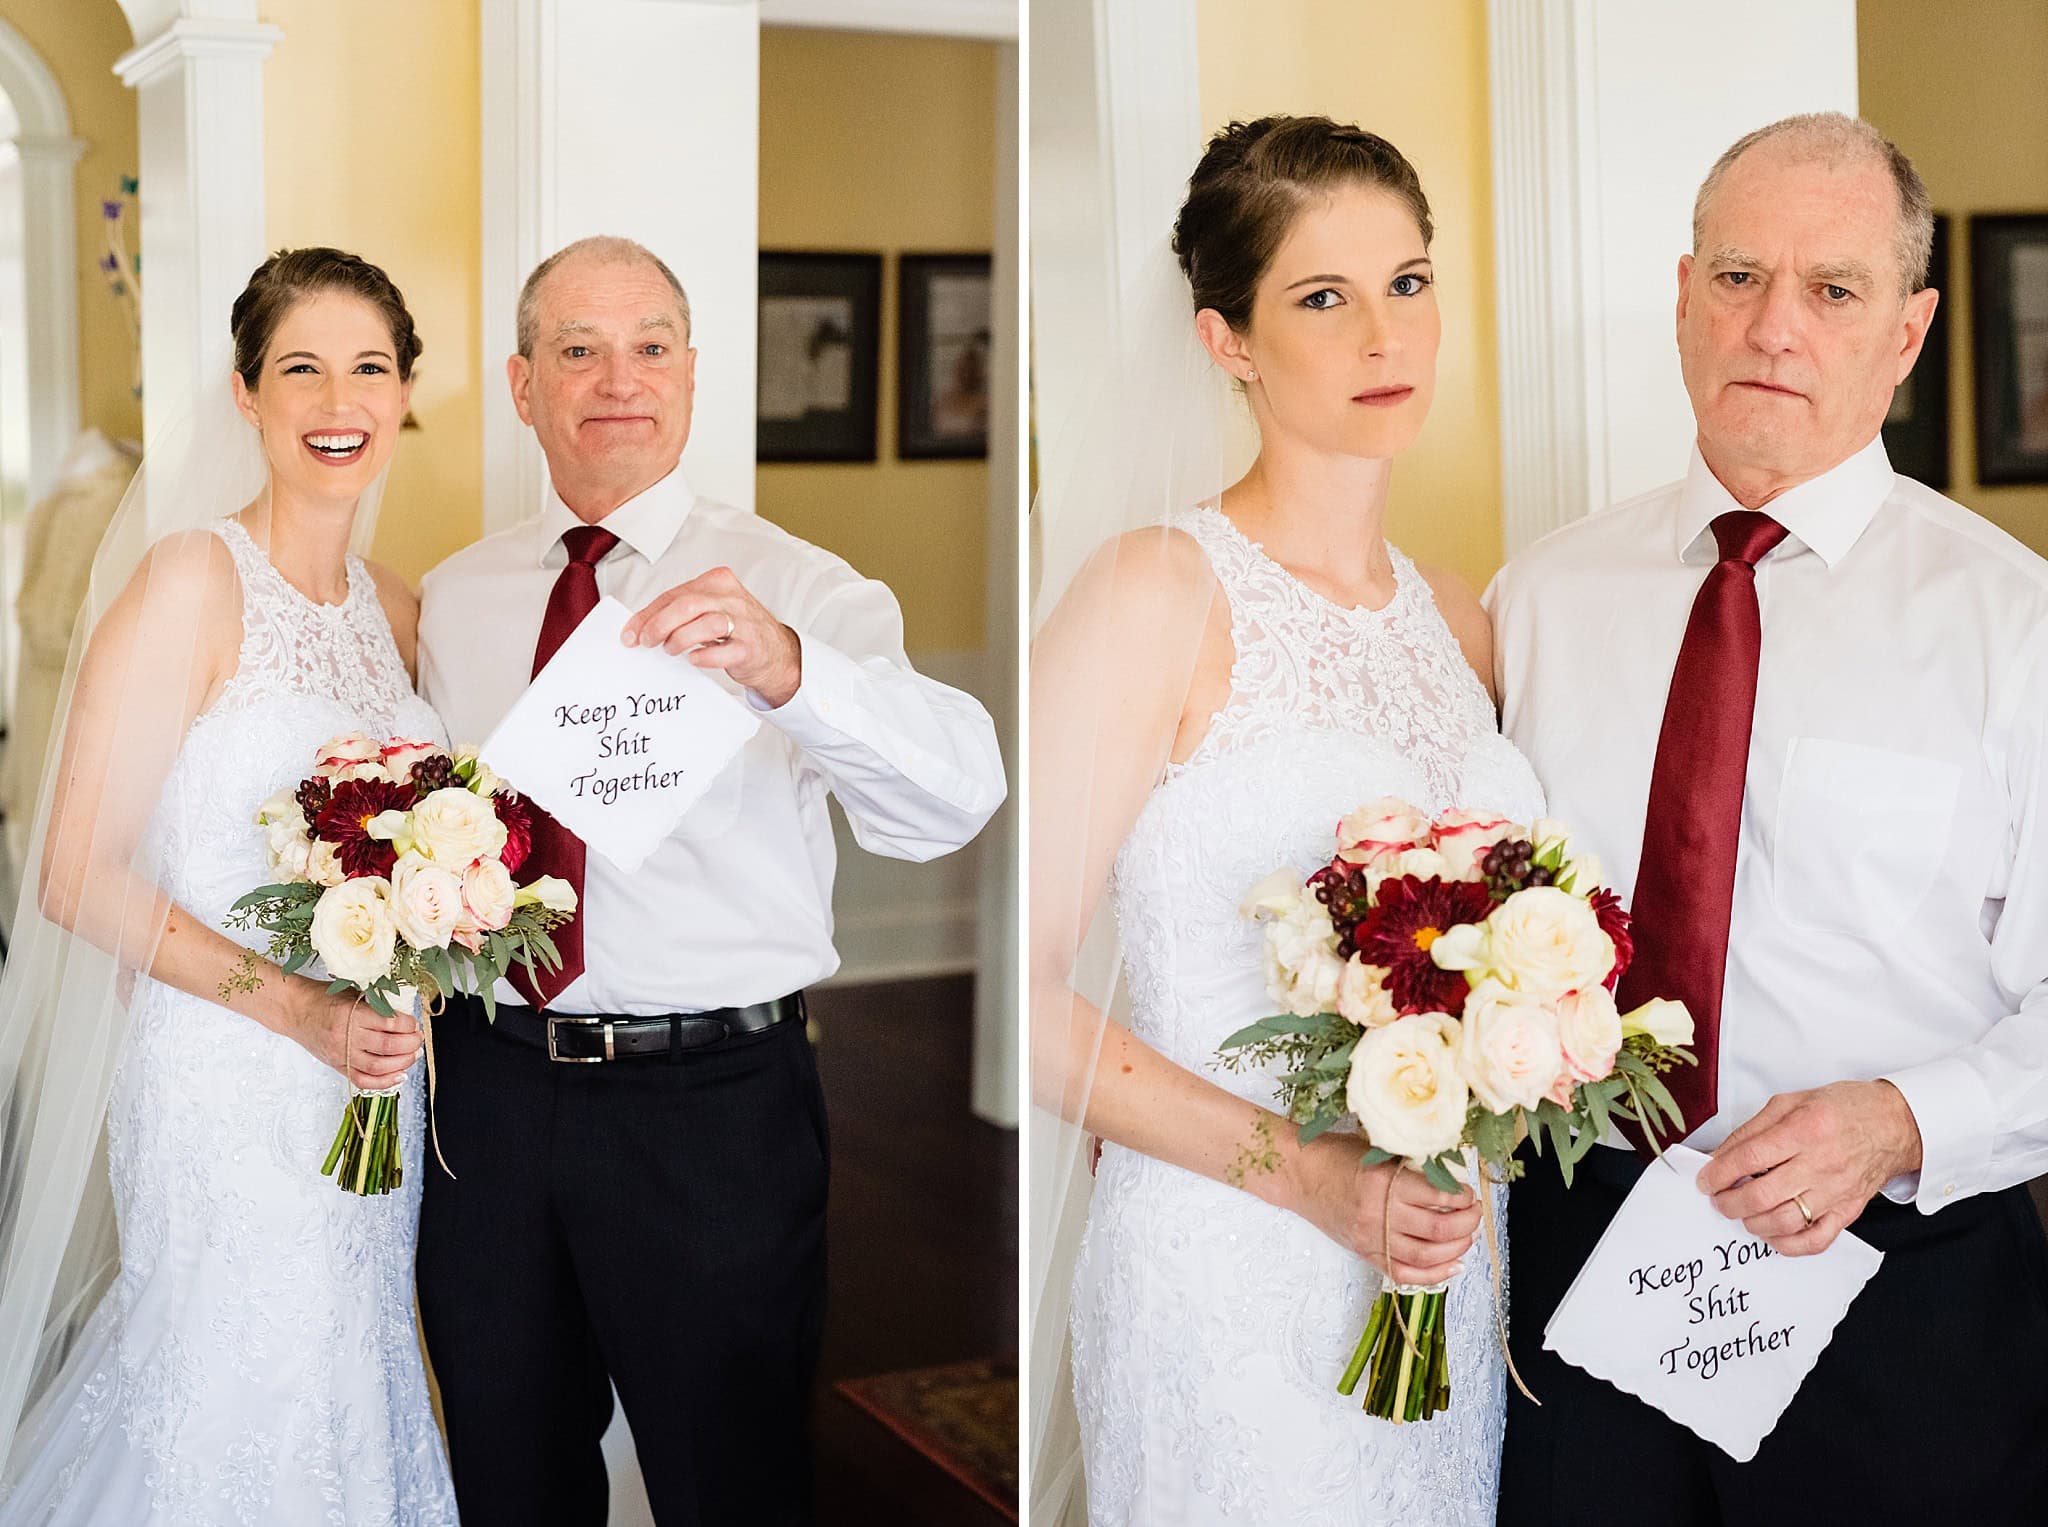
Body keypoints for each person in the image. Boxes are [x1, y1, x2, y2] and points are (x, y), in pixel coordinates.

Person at [1492, 112, 2048, 1523]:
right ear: (1683, 297)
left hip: (1895, 1293)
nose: (1774, 327)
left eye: (1834, 289)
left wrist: (1901, 1116)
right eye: (1738, 276)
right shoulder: (1541, 600)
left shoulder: (2015, 625)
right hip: (1583, 1256)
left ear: (1908, 333)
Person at [414, 234, 1005, 1527]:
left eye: (649, 346)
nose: (615, 378)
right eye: (577, 349)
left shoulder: (803, 588)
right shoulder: (459, 597)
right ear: (523, 385)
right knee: (506, 1467)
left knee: (729, 1477)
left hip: (712, 1107)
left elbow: (955, 800)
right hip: (492, 1093)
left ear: (692, 374)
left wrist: (796, 668)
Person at [1030, 117, 1542, 1525]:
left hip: (1440, 1255)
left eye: (1411, 281)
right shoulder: (1153, 594)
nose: (1388, 334)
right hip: (1229, 1267)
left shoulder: (1458, 618)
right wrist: (1312, 1177)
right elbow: (1025, 1003)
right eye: (1325, 297)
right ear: (1227, 339)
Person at [0, 249, 455, 1524]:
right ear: (247, 396)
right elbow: (73, 873)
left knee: (347, 1370)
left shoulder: (399, 610)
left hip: (370, 1077)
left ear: (403, 392)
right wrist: (298, 1011)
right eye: (299, 367)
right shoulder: (191, 582)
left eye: (368, 367)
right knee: (227, 1385)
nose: (336, 399)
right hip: (222, 1080)